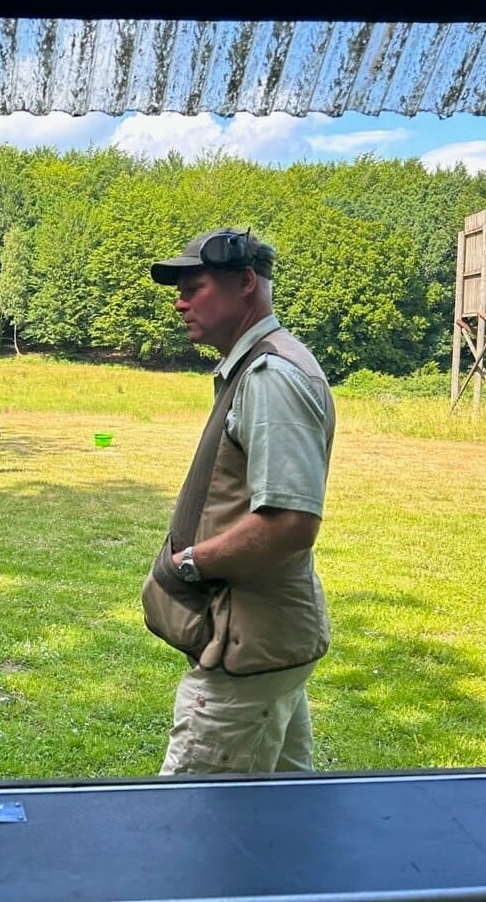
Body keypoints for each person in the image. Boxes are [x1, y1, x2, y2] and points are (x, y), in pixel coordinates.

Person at [143, 227, 335, 776]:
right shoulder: (261, 366)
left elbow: (289, 524)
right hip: (259, 640)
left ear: (245, 282)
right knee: (280, 819)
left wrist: (189, 564)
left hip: (245, 648)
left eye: (195, 286)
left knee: (198, 831)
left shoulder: (272, 375)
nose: (180, 301)